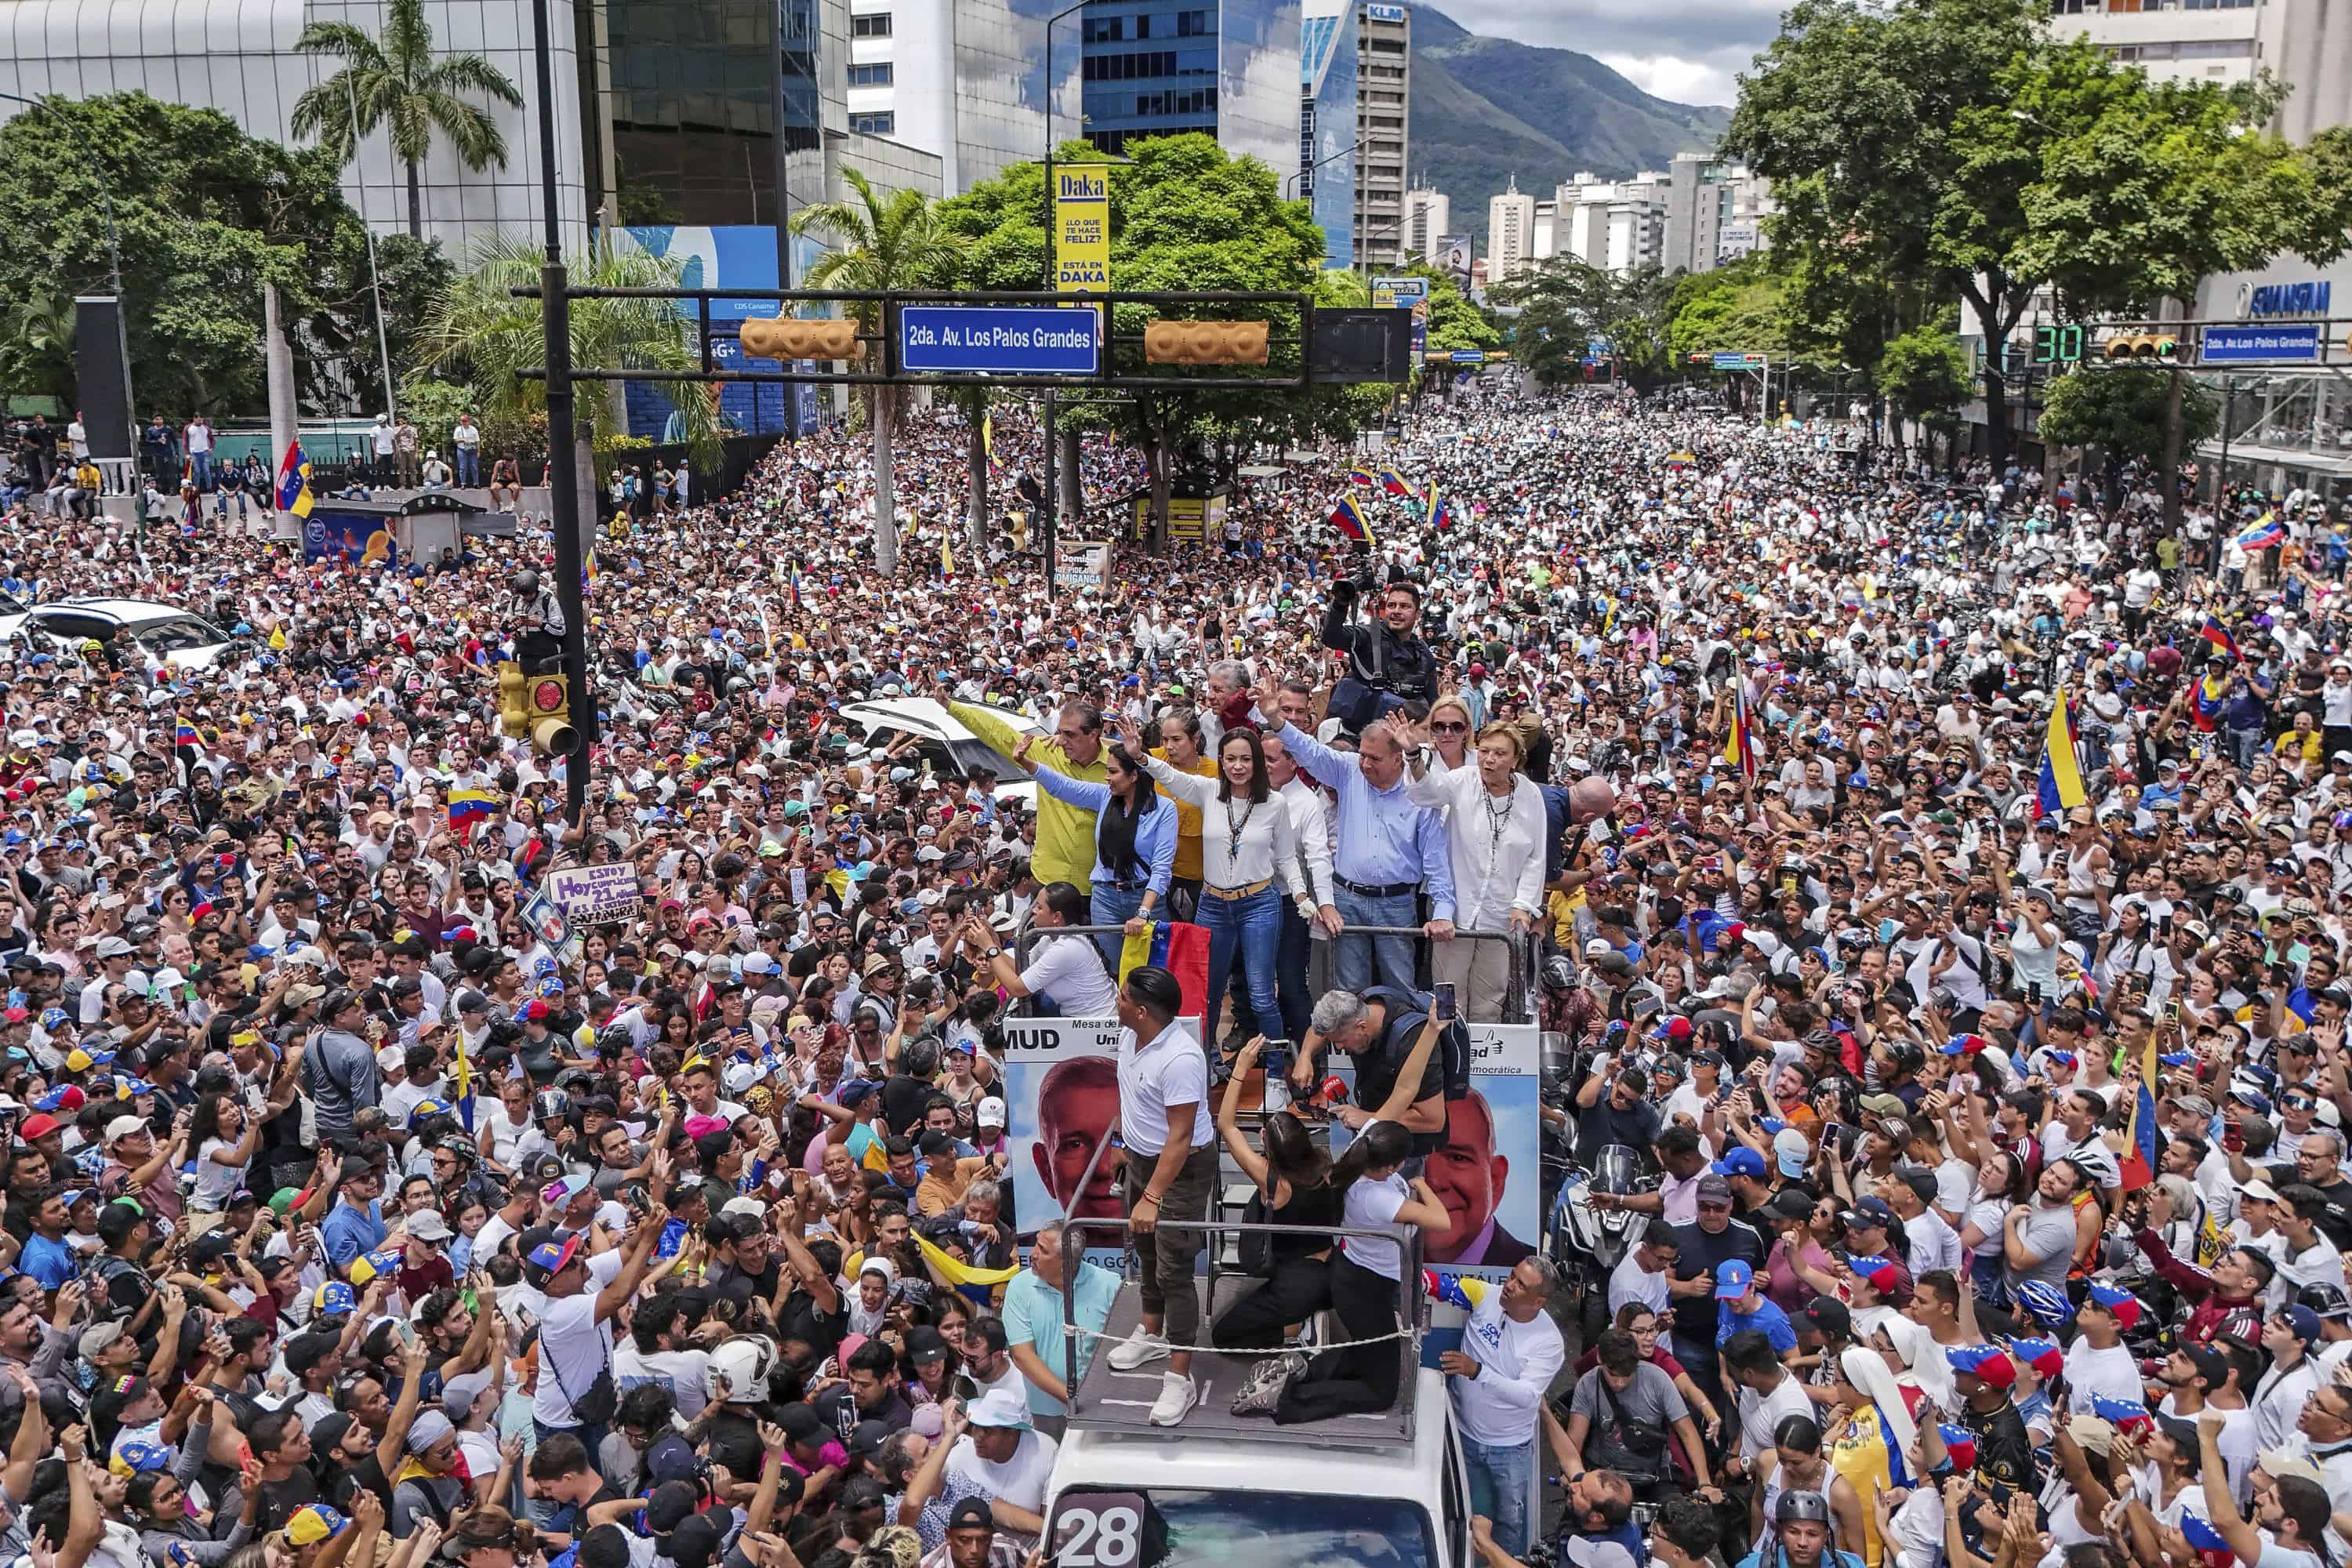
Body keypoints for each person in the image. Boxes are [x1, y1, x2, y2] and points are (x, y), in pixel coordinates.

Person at [1252, 667, 1457, 996]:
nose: (1364, 764)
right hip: (1347, 899)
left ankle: (1399, 1048)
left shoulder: (1420, 794)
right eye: (1361, 755)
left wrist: (1444, 912)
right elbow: (1309, 751)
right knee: (1349, 992)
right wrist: (1277, 720)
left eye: (1374, 758)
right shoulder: (1348, 771)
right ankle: (1351, 1051)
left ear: (1398, 760)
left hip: (1397, 903)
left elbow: (1436, 862)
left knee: (1399, 988)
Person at [1125, 718, 1301, 1047]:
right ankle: (1204, 1068)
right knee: (1206, 994)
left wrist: (1301, 892)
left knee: (1262, 995)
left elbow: (1287, 858)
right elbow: (1172, 778)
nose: (1237, 766)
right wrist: (1141, 757)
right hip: (1213, 904)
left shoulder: (1275, 803)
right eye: (1230, 759)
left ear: (1257, 762)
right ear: (1220, 760)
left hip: (1259, 903)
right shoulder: (1208, 791)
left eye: (1246, 759)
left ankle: (1276, 1074)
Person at [1096, 966, 1214, 1426]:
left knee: (1175, 1269)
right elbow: (1131, 1099)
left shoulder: (1181, 1059)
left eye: (1123, 997)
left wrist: (1153, 1197)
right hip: (1143, 1161)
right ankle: (1150, 1331)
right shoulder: (1132, 1037)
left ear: (1141, 1011)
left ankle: (1179, 1377)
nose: (1117, 1000)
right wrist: (1123, 1146)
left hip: (1179, 1171)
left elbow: (1182, 1136)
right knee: (1145, 1251)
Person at [1399, 710, 1548, 1021]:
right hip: (1457, 914)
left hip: (1501, 915)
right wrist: (1414, 754)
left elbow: (1536, 857)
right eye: (1484, 751)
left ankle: (1478, 1063)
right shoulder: (1463, 780)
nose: (1489, 759)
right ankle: (1450, 1058)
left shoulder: (1531, 795)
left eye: (1499, 753)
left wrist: (1524, 905)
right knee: (1448, 998)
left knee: (1489, 1000)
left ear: (1516, 758)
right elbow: (1426, 793)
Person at [1011, 730, 1176, 970]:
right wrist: (1025, 762)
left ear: (1134, 776)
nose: (1107, 778)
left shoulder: (1164, 809)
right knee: (1113, 969)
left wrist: (1143, 913)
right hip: (1105, 899)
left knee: (1150, 972)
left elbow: (1162, 867)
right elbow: (1062, 786)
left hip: (1145, 897)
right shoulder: (1104, 797)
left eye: (1113, 772)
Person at [1443, 1258, 1565, 1558]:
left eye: (1520, 1284)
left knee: (1511, 1526)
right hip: (1463, 1436)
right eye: (1511, 1276)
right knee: (1469, 1518)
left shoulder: (1549, 1342)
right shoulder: (1486, 1296)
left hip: (1510, 1450)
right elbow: (1438, 1286)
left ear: (1539, 1301)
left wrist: (1477, 1371)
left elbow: (1528, 1396)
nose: (1509, 1286)